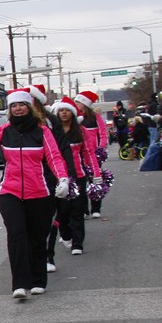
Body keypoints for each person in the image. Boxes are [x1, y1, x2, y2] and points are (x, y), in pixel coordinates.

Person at [0, 90, 68, 299]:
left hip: (39, 192)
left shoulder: (42, 132)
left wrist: (63, 179)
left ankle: (38, 280)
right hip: (10, 192)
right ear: (10, 110)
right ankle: (20, 284)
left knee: (37, 238)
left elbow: (55, 157)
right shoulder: (5, 131)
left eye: (21, 105)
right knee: (16, 235)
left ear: (29, 107)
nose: (18, 108)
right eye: (14, 106)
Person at [47, 97, 102, 267]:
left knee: (77, 209)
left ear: (72, 112)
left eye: (67, 110)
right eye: (61, 110)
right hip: (58, 176)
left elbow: (89, 153)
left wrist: (96, 173)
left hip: (77, 175)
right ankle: (66, 234)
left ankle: (78, 243)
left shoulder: (81, 131)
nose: (64, 113)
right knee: (61, 211)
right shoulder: (52, 132)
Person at [74, 91, 108, 219]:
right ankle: (83, 209)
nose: (76, 104)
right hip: (79, 155)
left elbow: (103, 133)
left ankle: (96, 208)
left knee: (95, 181)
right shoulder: (74, 118)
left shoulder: (94, 117)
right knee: (80, 183)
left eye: (78, 102)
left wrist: (101, 148)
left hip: (94, 154)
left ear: (85, 104)